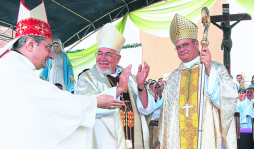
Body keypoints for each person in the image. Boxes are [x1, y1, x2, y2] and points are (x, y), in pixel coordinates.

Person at [0, 1, 124, 149]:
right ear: (31, 44)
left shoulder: (12, 66)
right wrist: (94, 102)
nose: (52, 55)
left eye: (109, 55)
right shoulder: (14, 71)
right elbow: (53, 102)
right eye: (48, 47)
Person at [156, 14, 238, 149]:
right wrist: (162, 142)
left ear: (196, 44)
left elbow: (227, 103)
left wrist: (209, 70)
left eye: (185, 44)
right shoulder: (173, 78)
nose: (182, 49)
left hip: (206, 140)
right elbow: (167, 116)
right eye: (178, 47)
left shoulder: (216, 68)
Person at [74, 23, 155, 149]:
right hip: (104, 143)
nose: (102, 58)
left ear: (118, 58)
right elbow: (84, 106)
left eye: (108, 54)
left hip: (133, 141)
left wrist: (140, 86)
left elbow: (146, 109)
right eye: (99, 53)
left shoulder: (130, 78)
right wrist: (119, 89)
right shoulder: (86, 79)